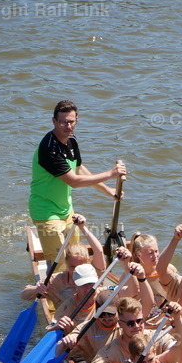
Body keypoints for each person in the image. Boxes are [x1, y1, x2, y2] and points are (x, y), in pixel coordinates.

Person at [29, 100, 126, 263]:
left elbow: (79, 169)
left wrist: (108, 191)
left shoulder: (72, 141)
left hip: (67, 210)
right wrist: (110, 174)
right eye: (63, 122)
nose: (68, 126)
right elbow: (73, 181)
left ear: (77, 120)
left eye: (71, 122)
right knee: (59, 262)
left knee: (77, 256)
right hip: (45, 212)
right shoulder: (49, 149)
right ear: (54, 121)